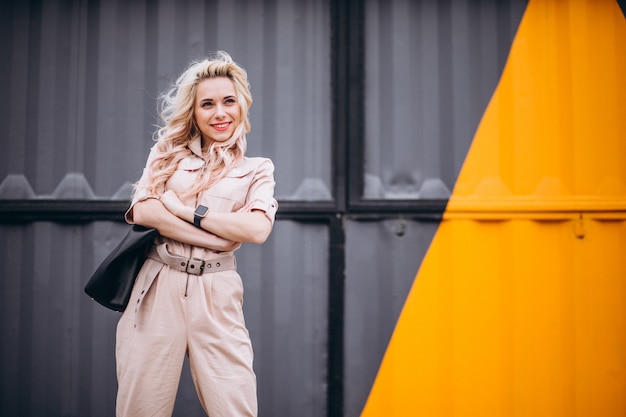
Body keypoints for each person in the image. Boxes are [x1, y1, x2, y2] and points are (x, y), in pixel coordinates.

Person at [116, 51, 277, 417]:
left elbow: (257, 228)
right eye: (207, 104)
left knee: (235, 407)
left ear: (242, 106)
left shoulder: (257, 169)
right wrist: (217, 238)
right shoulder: (166, 154)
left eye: (228, 101)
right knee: (140, 408)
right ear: (194, 111)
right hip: (157, 286)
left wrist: (187, 212)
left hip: (218, 292)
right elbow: (144, 210)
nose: (220, 113)